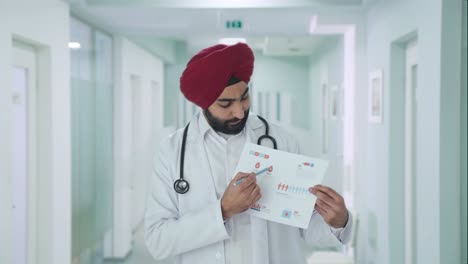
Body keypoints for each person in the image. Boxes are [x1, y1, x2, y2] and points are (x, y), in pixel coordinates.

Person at [144, 42, 352, 264]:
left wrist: (338, 222)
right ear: (204, 104)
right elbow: (158, 240)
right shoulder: (172, 151)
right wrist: (223, 210)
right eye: (226, 104)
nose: (239, 111)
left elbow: (306, 227)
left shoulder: (281, 141)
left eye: (244, 97)